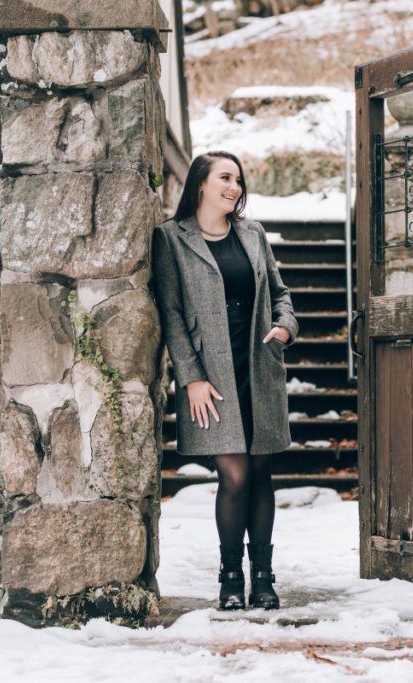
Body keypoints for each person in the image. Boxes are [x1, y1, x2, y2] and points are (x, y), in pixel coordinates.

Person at [152, 151, 298, 610]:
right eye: (225, 178)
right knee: (233, 476)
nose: (234, 187)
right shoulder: (171, 239)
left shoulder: (252, 234)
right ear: (200, 184)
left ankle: (264, 578)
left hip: (258, 365)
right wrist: (191, 378)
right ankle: (231, 578)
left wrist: (286, 326)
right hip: (211, 377)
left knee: (260, 471)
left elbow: (280, 292)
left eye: (238, 180)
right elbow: (171, 315)